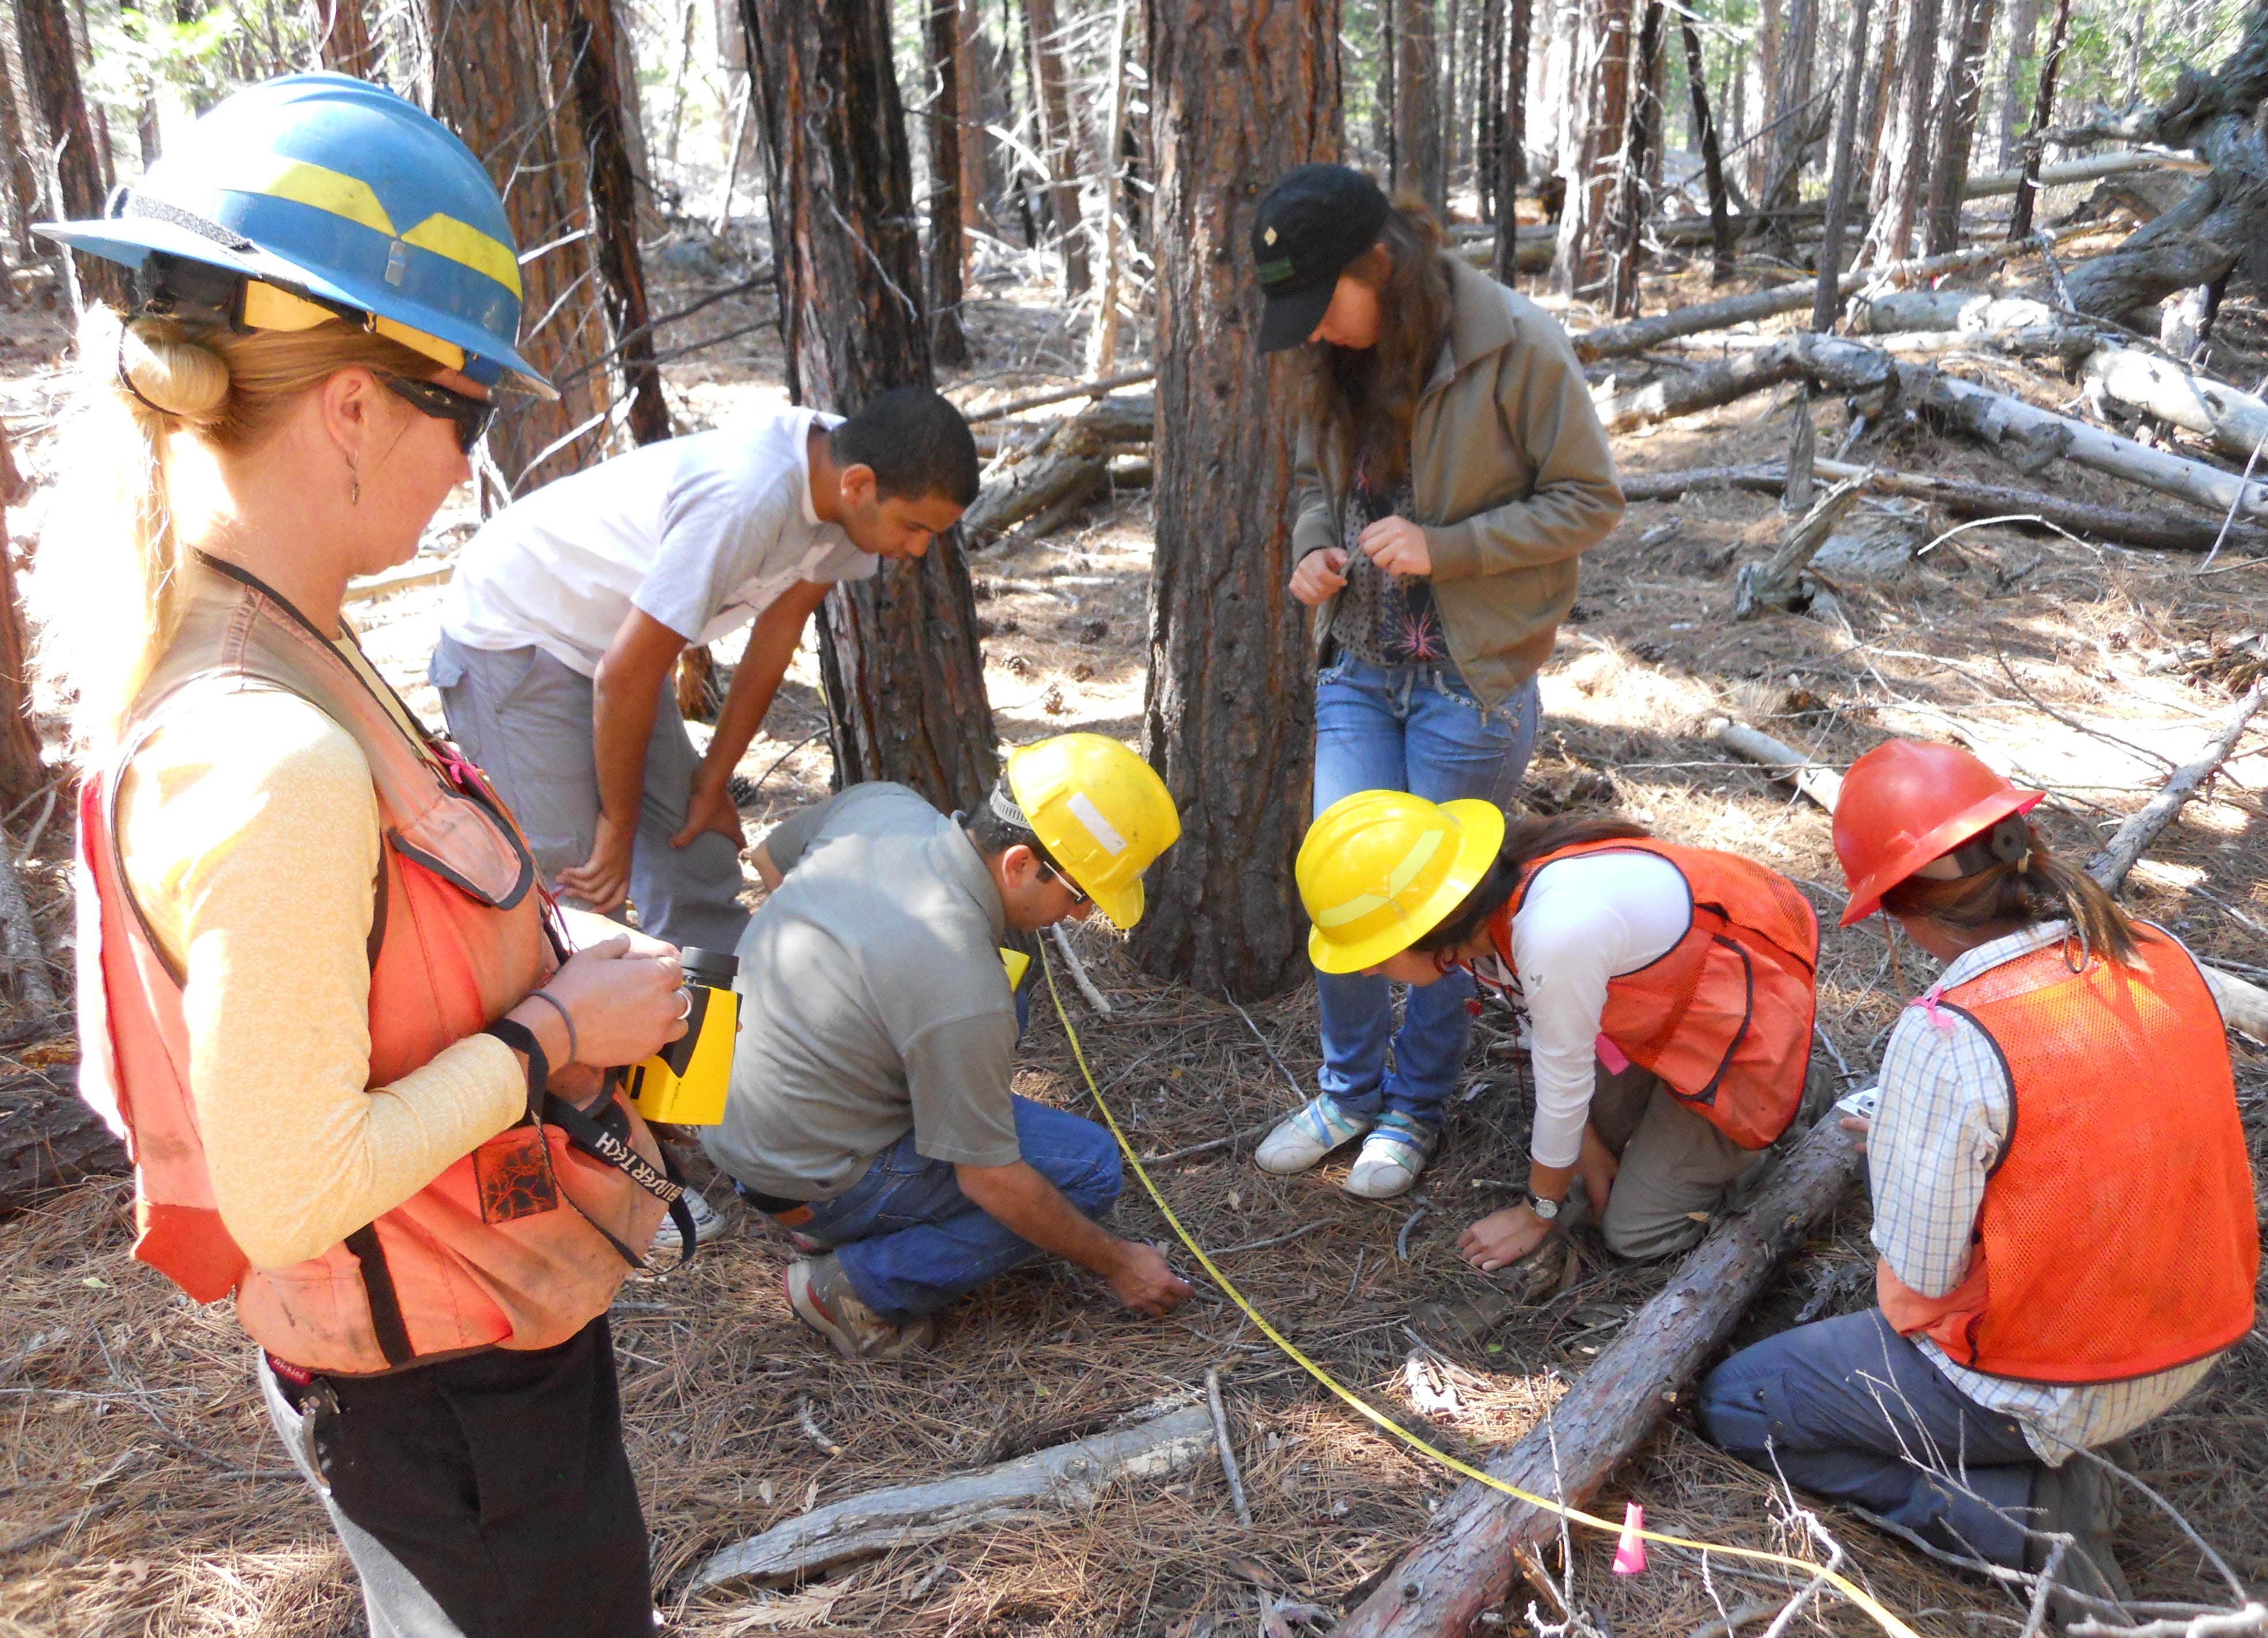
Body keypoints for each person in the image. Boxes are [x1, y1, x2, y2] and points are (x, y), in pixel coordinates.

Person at [39, 75, 693, 1638]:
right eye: (464, 407)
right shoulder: (270, 745)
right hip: (457, 1401)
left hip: (438, 1378)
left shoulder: (287, 649)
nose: (477, 459)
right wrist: (553, 1035)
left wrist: (540, 947)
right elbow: (291, 1190)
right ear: (347, 406)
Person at [1697, 739, 2259, 1624]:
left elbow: (1919, 1276)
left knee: (1737, 1401)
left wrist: (1898, 1148)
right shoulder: (2158, 949)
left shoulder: (1952, 1032)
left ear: (1901, 910)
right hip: (2198, 1330)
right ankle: (2045, 1475)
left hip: (2054, 1381)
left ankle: (2022, 1521)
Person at [1248, 162, 1625, 1199]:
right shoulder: (1334, 366)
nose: (1315, 333)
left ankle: (1415, 1111)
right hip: (1360, 668)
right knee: (1345, 893)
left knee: (1436, 911)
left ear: (1382, 265)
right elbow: (1324, 494)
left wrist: (1446, 548)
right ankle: (1345, 1091)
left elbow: (1591, 502)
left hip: (1470, 679)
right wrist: (1316, 553)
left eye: (1323, 305)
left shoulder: (1517, 344)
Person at [429, 384, 981, 956]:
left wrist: (713, 778)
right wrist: (616, 828)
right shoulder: (748, 499)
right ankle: (582, 1025)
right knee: (579, 879)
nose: (916, 550)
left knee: (693, 840)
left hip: (613, 642)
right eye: (915, 527)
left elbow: (778, 632)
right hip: (518, 629)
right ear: (860, 484)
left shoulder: (848, 485)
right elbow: (624, 679)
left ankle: (719, 1013)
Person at [698, 734, 1194, 1360]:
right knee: (1087, 1169)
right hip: (807, 1172)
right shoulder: (961, 982)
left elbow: (773, 861)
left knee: (1003, 994)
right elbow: (993, 1181)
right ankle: (851, 1288)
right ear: (1018, 863)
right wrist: (1119, 1261)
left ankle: (824, 1206)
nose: (1080, 915)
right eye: (1080, 893)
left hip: (728, 1110)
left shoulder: (880, 806)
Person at [1291, 792, 1818, 1267]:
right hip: (1651, 1009)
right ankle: (1673, 1115)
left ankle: (1796, 1090)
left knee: (1635, 1233)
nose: (1365, 970)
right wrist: (1586, 1150)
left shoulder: (1552, 931)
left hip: (1738, 1013)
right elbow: (1550, 1044)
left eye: (1375, 953)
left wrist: (1536, 1213)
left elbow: (1564, 1083)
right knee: (1585, 1179)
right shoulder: (1482, 910)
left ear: (1431, 927)